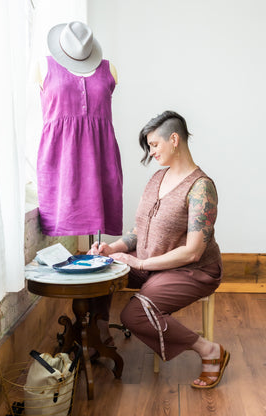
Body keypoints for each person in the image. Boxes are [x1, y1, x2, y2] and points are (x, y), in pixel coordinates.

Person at [90, 110, 230, 389]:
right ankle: (101, 339)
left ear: (174, 139)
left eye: (155, 144)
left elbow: (192, 252)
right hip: (150, 263)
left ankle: (210, 351)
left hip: (192, 270)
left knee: (133, 315)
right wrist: (112, 249)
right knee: (94, 274)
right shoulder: (156, 179)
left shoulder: (201, 188)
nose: (151, 151)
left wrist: (140, 265)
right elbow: (138, 230)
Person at [36, 21, 123, 237]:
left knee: (100, 215)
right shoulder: (44, 66)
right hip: (60, 158)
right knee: (61, 217)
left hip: (101, 156)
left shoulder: (108, 69)